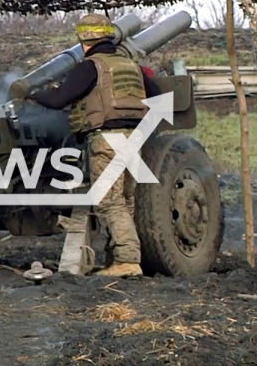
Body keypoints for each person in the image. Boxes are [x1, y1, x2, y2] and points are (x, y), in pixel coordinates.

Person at [9, 14, 160, 277]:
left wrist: (31, 94)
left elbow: (59, 100)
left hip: (108, 139)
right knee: (124, 201)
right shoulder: (130, 65)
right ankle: (118, 260)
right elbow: (157, 97)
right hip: (133, 138)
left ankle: (127, 260)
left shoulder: (90, 66)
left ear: (84, 40)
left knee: (107, 201)